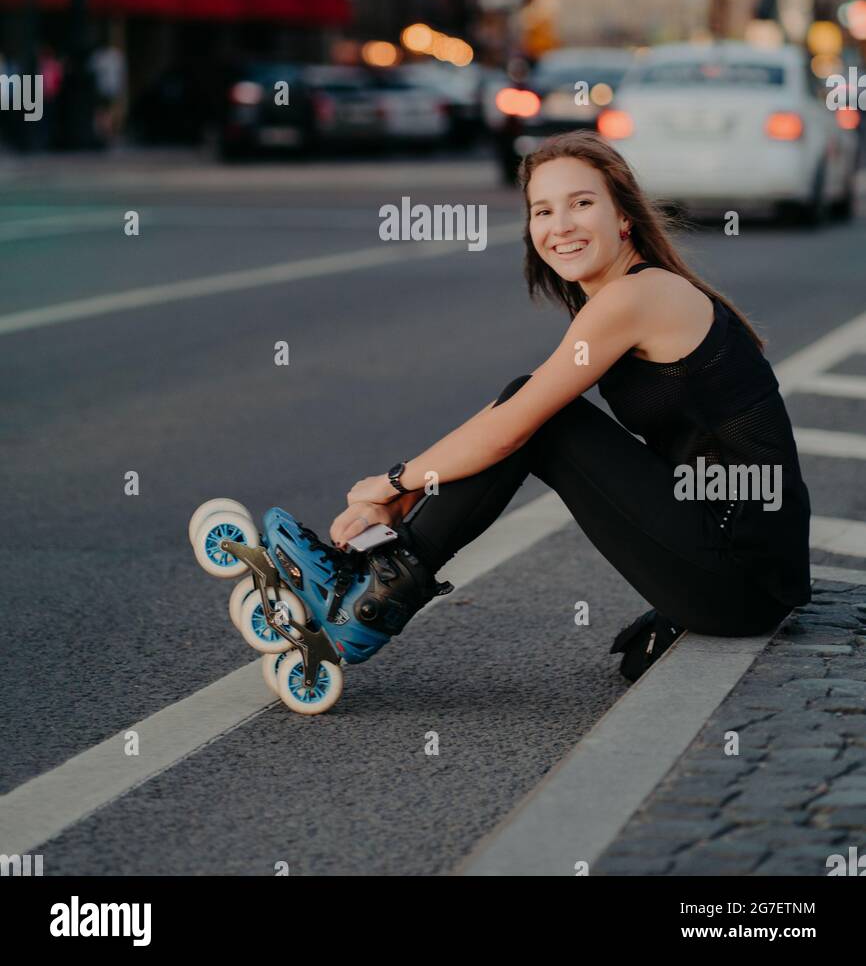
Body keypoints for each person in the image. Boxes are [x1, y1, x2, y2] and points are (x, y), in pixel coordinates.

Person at [304, 130, 811, 668]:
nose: (560, 226)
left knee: (540, 421)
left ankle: (373, 599)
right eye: (542, 211)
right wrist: (406, 489)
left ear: (624, 217)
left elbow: (516, 426)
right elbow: (512, 412)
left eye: (582, 203)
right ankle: (380, 579)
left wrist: (391, 482)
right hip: (738, 562)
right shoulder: (633, 293)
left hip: (742, 579)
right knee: (531, 406)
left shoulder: (638, 297)